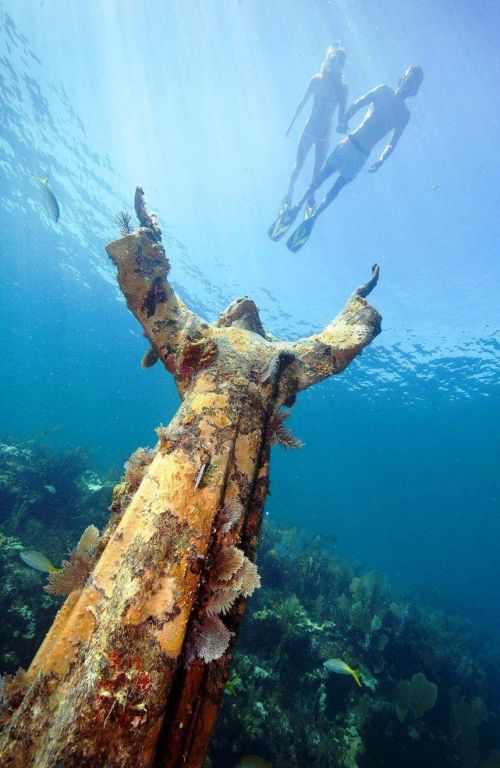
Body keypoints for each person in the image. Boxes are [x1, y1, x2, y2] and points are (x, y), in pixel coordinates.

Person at [276, 65, 424, 252]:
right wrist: (345, 119)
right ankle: (298, 205)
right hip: (350, 142)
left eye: (414, 84)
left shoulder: (405, 115)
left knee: (336, 188)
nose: (409, 85)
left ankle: (314, 217)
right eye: (409, 79)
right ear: (403, 78)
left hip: (362, 156)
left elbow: (393, 142)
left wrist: (382, 159)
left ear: (415, 91)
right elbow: (358, 103)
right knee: (321, 177)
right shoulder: (383, 90)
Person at [268, 44, 348, 240]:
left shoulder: (343, 88)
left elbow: (341, 117)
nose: (332, 65)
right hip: (309, 129)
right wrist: (290, 125)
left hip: (325, 135)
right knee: (298, 166)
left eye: (336, 62)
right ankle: (289, 192)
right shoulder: (317, 80)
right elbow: (302, 103)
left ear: (341, 66)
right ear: (327, 60)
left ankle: (310, 199)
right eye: (330, 60)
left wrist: (343, 126)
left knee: (316, 174)